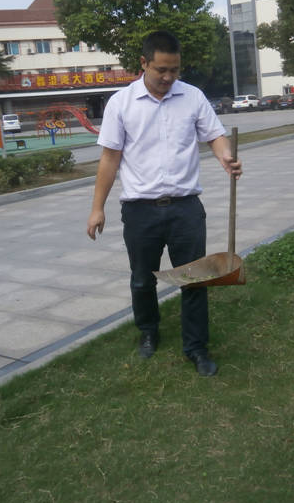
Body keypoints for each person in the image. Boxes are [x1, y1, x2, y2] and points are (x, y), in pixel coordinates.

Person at [86, 31, 242, 377]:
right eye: (161, 70)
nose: (169, 78)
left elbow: (214, 135)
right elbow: (109, 159)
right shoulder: (121, 103)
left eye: (175, 70)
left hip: (186, 208)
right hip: (141, 210)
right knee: (142, 279)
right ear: (143, 64)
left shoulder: (193, 97)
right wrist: (98, 207)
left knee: (195, 280)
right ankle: (148, 330)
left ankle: (196, 348)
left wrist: (225, 156)